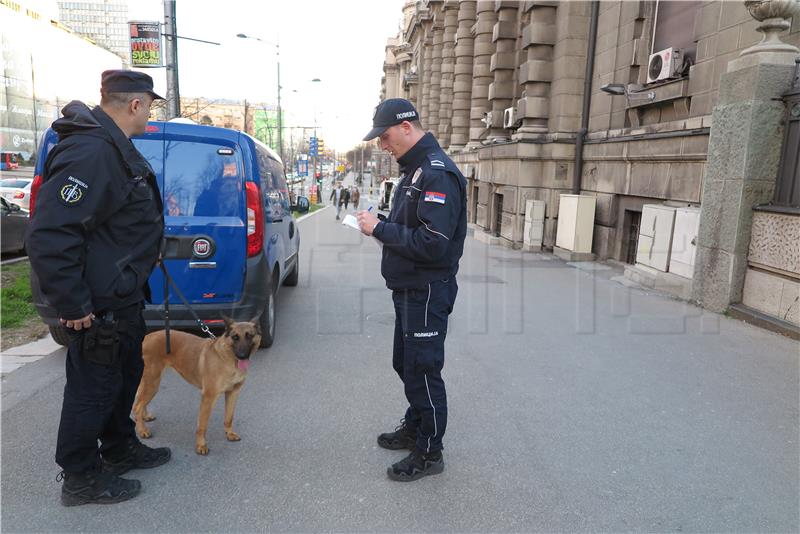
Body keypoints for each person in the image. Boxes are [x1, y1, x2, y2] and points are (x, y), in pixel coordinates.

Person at [26, 70, 171, 506]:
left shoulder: (108, 146)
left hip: (121, 295)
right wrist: (72, 303)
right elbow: (51, 233)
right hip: (96, 303)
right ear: (135, 105)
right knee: (92, 389)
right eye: (150, 106)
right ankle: (81, 477)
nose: (150, 114)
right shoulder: (92, 151)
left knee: (123, 378)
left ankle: (120, 448)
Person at [356, 98, 466, 482]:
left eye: (385, 137)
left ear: (406, 127)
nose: (383, 145)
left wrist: (380, 229)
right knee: (405, 364)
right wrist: (382, 222)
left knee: (422, 368)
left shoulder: (436, 173)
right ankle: (415, 425)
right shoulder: (414, 170)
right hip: (408, 287)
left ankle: (430, 451)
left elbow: (435, 242)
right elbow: (415, 225)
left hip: (426, 289)